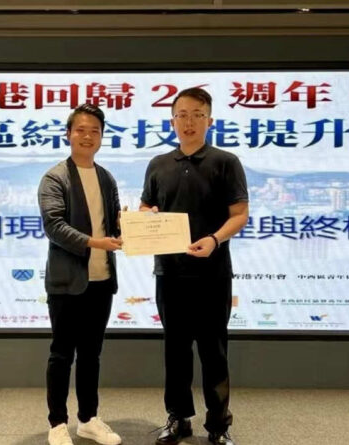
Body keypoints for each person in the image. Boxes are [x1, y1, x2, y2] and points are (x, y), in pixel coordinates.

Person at [140, 88, 249, 445]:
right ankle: (178, 418)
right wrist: (148, 217)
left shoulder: (226, 162)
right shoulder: (158, 164)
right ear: (172, 121)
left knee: (214, 352)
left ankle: (218, 425)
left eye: (197, 115)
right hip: (169, 274)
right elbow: (145, 208)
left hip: (212, 274)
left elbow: (240, 214)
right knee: (175, 351)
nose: (189, 122)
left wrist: (215, 240)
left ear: (210, 120)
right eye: (182, 115)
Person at [38, 103, 124, 445]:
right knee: (61, 354)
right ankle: (57, 423)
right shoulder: (55, 177)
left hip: (102, 279)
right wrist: (94, 242)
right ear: (69, 134)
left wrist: (137, 224)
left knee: (91, 355)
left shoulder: (106, 177)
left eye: (95, 131)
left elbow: (114, 223)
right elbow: (54, 226)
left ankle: (88, 419)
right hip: (67, 282)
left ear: (101, 137)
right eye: (81, 130)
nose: (88, 137)